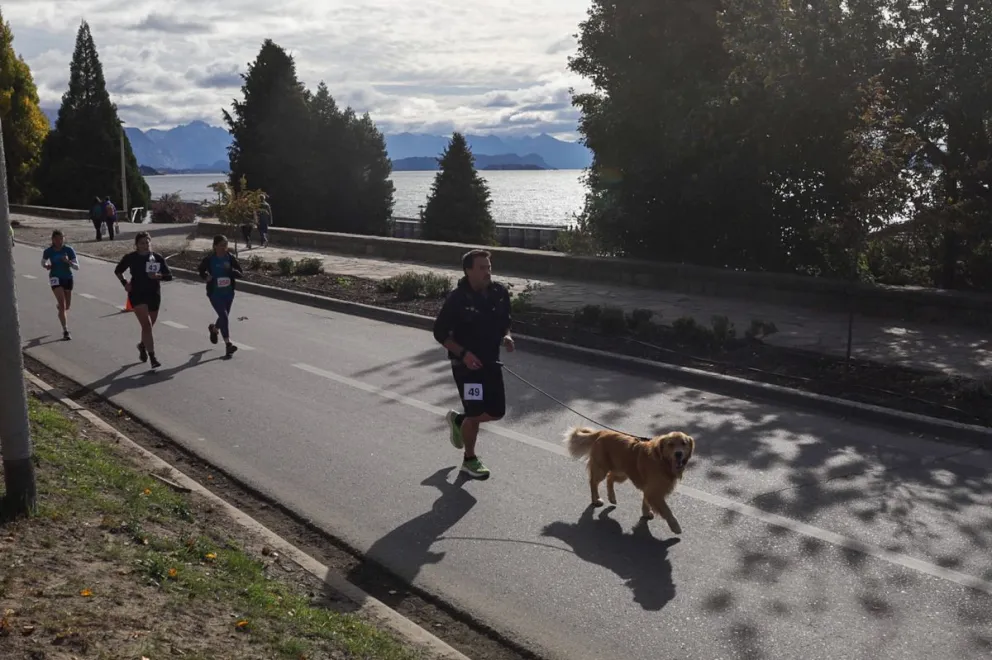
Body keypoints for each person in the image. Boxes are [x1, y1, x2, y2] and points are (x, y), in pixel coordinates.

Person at [432, 249, 514, 479]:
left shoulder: (499, 292)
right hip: (466, 368)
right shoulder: (457, 299)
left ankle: (460, 420)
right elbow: (440, 333)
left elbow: (505, 321)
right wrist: (464, 354)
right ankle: (469, 459)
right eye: (482, 268)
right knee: (476, 410)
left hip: (491, 362)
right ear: (468, 271)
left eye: (489, 267)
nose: (487, 272)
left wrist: (506, 336)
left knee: (496, 412)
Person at [114, 231, 173, 368]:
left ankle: (142, 345)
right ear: (136, 245)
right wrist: (125, 283)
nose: (145, 245)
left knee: (149, 326)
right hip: (137, 294)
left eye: (147, 242)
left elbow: (169, 276)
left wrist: (158, 276)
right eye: (142, 243)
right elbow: (118, 270)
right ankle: (153, 357)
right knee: (146, 325)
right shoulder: (131, 257)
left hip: (153, 294)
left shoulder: (157, 257)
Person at [197, 234, 243, 357]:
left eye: (225, 245)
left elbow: (240, 273)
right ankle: (228, 344)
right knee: (224, 316)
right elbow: (201, 270)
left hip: (228, 293)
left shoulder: (230, 258)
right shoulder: (210, 259)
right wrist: (206, 277)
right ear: (215, 246)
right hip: (215, 293)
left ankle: (214, 329)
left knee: (224, 316)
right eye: (221, 245)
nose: (224, 248)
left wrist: (231, 271)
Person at [41, 229, 79, 340]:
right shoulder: (48, 251)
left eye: (61, 238)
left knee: (66, 306)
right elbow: (43, 262)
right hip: (55, 278)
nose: (59, 241)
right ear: (52, 239)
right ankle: (65, 330)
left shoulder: (69, 250)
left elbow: (77, 267)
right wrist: (46, 265)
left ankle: (60, 307)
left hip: (67, 277)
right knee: (63, 305)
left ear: (64, 239)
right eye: (56, 239)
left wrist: (68, 262)